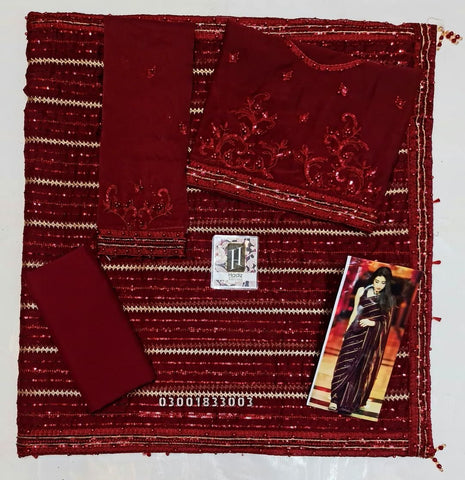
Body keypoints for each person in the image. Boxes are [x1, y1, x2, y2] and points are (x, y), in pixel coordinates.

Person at [328, 267, 395, 415]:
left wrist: (373, 323)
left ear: (387, 284)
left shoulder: (388, 299)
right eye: (377, 281)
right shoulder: (362, 291)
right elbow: (355, 313)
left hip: (369, 338)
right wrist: (347, 332)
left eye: (383, 283)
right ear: (373, 279)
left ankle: (350, 401)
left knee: (359, 369)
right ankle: (334, 398)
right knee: (344, 365)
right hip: (354, 333)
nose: (379, 285)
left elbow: (386, 323)